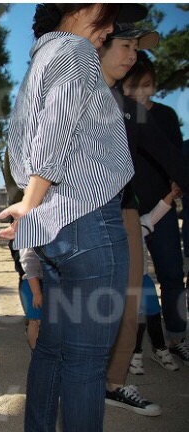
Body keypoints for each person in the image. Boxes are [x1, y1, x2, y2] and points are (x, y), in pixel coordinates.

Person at [0, 4, 148, 431]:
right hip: (89, 219)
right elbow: (56, 128)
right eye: (107, 15)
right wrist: (31, 202)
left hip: (56, 226)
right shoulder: (76, 49)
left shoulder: (39, 60)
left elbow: (22, 143)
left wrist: (35, 205)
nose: (111, 28)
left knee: (52, 348)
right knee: (85, 361)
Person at [96, 22, 189, 417]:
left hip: (126, 209)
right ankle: (78, 376)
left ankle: (115, 384)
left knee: (131, 298)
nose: (133, 54)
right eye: (126, 45)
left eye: (137, 47)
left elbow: (171, 158)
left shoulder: (133, 111)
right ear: (99, 45)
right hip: (78, 215)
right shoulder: (71, 97)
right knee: (80, 300)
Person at [121, 51, 189, 366]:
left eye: (146, 84)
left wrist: (176, 187)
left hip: (163, 207)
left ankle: (176, 336)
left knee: (172, 274)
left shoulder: (165, 116)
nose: (140, 92)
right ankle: (129, 346)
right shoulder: (117, 115)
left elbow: (174, 157)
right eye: (133, 85)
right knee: (129, 281)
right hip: (127, 209)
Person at [129, 184, 182, 375]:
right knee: (135, 319)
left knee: (153, 313)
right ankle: (134, 353)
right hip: (123, 283)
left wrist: (172, 194)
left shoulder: (140, 224)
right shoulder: (110, 230)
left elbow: (158, 211)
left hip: (143, 280)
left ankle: (159, 348)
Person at [17, 248, 43, 350]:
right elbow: (30, 267)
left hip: (43, 283)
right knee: (35, 321)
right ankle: (35, 350)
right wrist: (37, 293)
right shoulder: (29, 244)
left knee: (40, 321)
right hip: (33, 284)